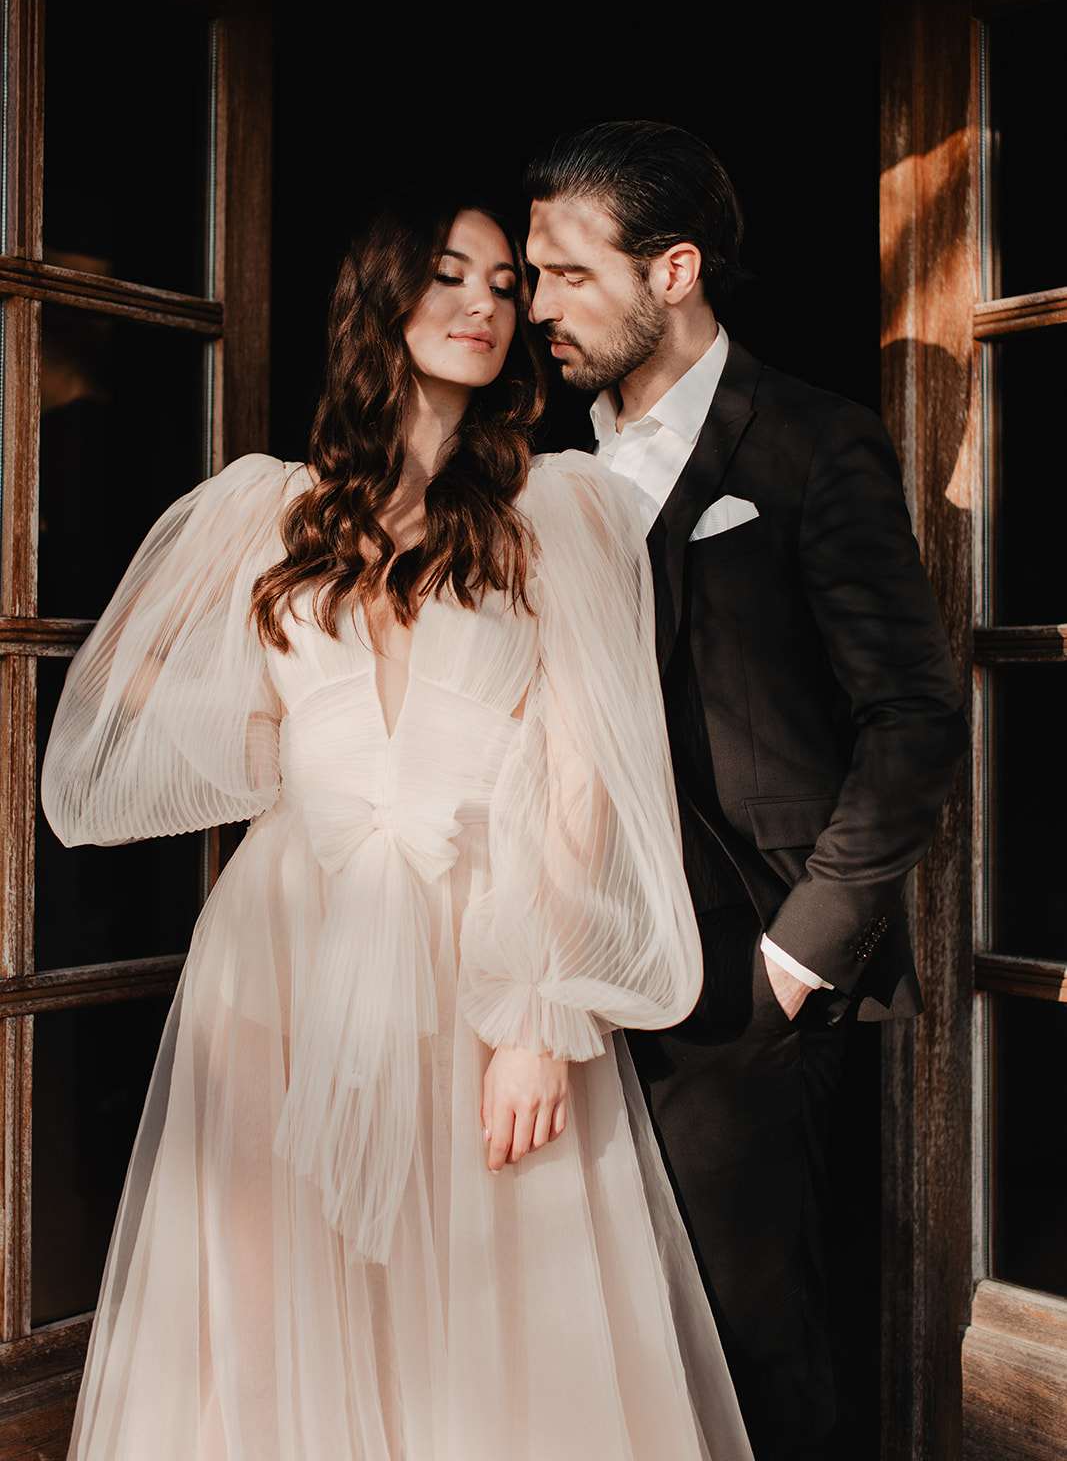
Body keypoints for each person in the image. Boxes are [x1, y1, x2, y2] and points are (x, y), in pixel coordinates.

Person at [40, 193, 755, 1461]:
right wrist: (306, 759)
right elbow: (133, 695)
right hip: (280, 950)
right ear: (381, 303)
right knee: (277, 1293)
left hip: (480, 946)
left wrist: (538, 1015)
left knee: (489, 1304)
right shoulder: (267, 510)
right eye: (449, 277)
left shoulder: (557, 515)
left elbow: (584, 770)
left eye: (500, 284)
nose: (486, 305)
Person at [522, 121, 969, 1461]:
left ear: (673, 270)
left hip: (738, 979)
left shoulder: (813, 446)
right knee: (580, 1330)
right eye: (528, 275)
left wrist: (792, 959)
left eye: (563, 274)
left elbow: (911, 720)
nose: (532, 306)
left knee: (750, 1341)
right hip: (556, 967)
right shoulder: (536, 466)